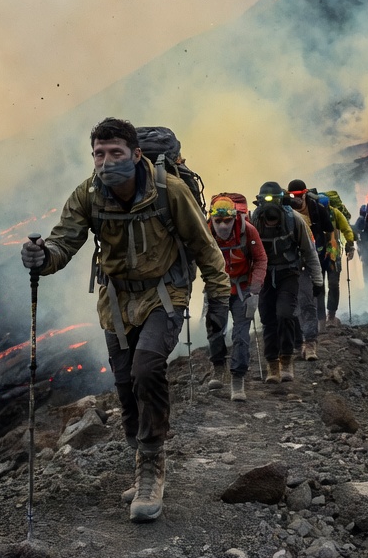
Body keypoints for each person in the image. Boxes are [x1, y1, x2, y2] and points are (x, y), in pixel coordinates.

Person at [20, 117, 230, 523]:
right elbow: (64, 242)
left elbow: (204, 246)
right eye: (99, 154)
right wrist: (42, 257)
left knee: (147, 367)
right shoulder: (89, 194)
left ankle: (152, 469)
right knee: (124, 385)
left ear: (136, 155)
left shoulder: (169, 190)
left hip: (164, 294)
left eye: (115, 153)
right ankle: (142, 455)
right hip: (116, 301)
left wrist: (219, 297)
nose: (105, 162)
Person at [250, 181, 323, 382]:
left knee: (285, 314)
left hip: (289, 274)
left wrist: (317, 281)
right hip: (265, 275)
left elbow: (309, 252)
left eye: (273, 200)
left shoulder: (295, 220)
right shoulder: (254, 222)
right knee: (267, 319)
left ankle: (286, 360)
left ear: (282, 201)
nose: (269, 205)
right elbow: (249, 253)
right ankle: (272, 365)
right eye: (265, 200)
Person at [205, 196, 267, 401]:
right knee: (215, 331)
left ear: (235, 218)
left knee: (241, 335)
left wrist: (255, 290)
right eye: (218, 221)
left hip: (243, 289)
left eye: (227, 221)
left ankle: (237, 379)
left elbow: (260, 259)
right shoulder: (205, 231)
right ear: (212, 219)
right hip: (217, 289)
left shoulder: (248, 230)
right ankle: (218, 367)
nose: (223, 225)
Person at [287, 180, 333, 361]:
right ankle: (298, 343)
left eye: (299, 195)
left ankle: (311, 343)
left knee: (308, 302)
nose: (296, 199)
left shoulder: (316, 209)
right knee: (293, 305)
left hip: (311, 260)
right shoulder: (285, 212)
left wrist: (329, 249)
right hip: (289, 264)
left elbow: (329, 230)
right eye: (293, 196)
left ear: (305, 193)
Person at [317, 193, 356, 328]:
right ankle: (320, 319)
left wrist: (350, 244)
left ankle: (331, 316)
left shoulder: (335, 213)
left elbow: (346, 229)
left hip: (333, 256)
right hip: (316, 256)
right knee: (318, 287)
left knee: (333, 285)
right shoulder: (311, 214)